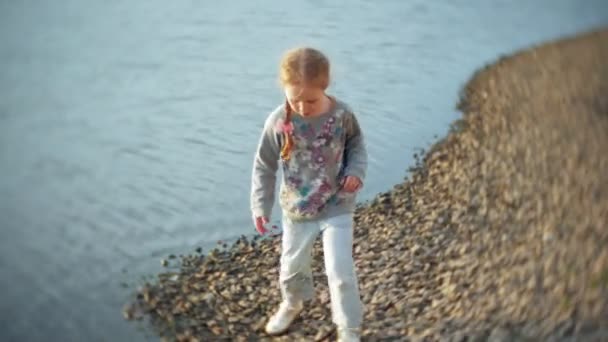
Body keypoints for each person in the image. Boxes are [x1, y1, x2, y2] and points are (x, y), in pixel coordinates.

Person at [250, 47, 367, 341]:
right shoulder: (279, 122)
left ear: (324, 87)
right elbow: (264, 166)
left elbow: (356, 146)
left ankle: (348, 326)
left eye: (311, 100)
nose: (302, 107)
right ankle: (292, 303)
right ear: (285, 90)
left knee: (340, 271)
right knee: (292, 267)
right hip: (297, 208)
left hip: (337, 203)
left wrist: (356, 171)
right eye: (295, 99)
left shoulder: (342, 115)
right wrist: (260, 206)